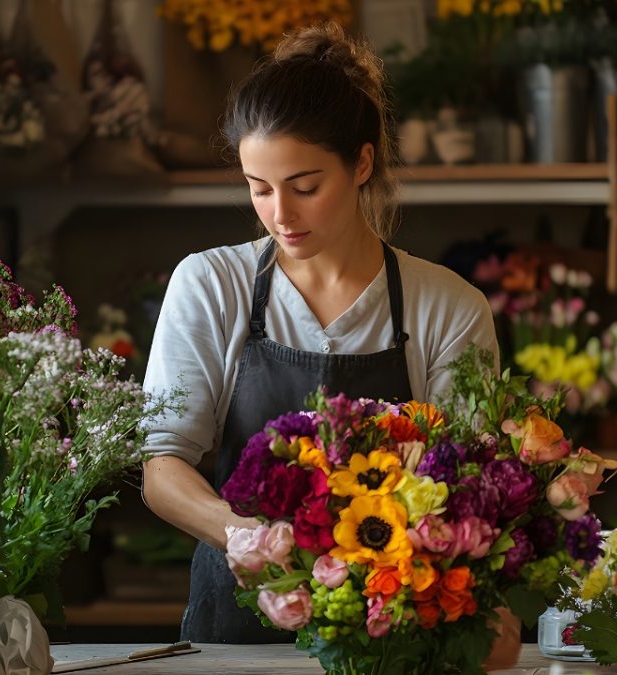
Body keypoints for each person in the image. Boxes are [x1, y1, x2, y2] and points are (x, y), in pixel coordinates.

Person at [141, 22, 501, 645]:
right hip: (239, 623)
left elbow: (467, 482)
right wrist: (245, 535)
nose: (282, 214)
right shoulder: (210, 285)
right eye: (260, 189)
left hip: (391, 628)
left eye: (305, 187)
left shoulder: (446, 306)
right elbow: (162, 468)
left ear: (362, 162)